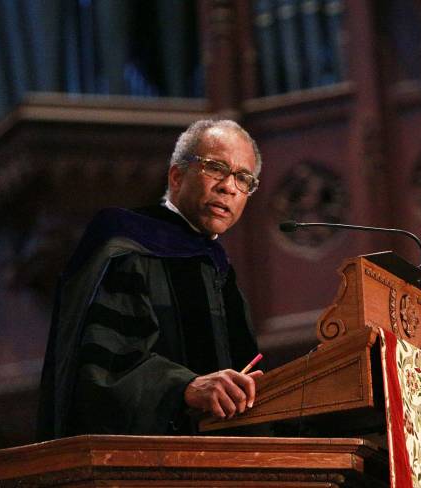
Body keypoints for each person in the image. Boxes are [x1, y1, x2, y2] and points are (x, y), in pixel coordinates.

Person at [37, 119, 264, 439]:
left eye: (243, 178)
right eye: (216, 168)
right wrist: (184, 386)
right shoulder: (126, 248)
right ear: (176, 176)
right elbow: (102, 370)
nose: (228, 186)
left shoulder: (217, 270)